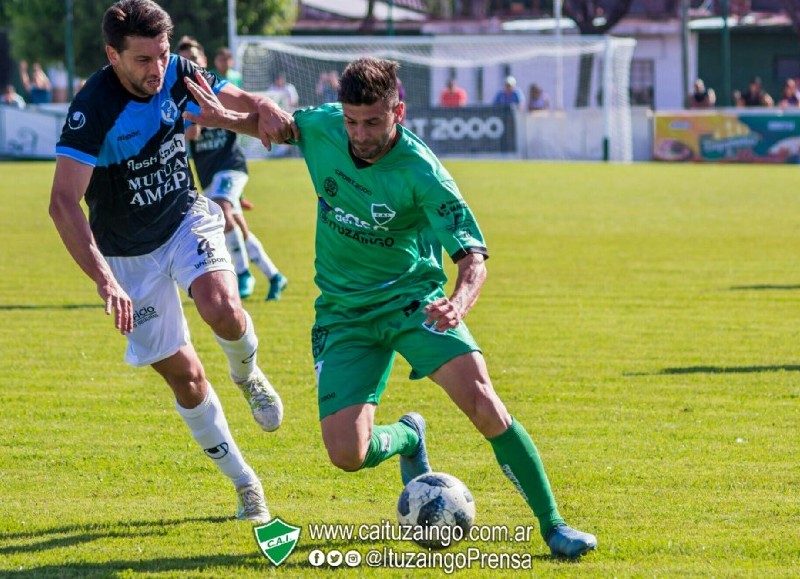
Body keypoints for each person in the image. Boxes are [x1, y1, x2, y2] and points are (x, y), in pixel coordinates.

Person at [185, 56, 597, 559]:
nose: (359, 134)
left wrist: (459, 302)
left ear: (397, 110)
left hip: (414, 302)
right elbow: (280, 127)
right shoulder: (325, 126)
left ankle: (554, 525)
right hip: (343, 315)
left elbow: (472, 258)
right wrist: (226, 119)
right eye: (352, 121)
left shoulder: (423, 173)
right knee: (346, 455)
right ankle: (408, 435)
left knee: (485, 404)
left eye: (373, 121)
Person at [49, 0, 297, 524]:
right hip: (125, 257)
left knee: (222, 304)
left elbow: (237, 99)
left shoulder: (179, 72)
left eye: (161, 54)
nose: (156, 69)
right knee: (185, 377)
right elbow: (62, 202)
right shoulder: (92, 108)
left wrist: (265, 105)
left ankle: (248, 375)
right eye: (142, 59)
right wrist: (104, 282)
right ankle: (245, 483)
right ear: (112, 55)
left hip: (185, 219)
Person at [178, 36, 288, 301]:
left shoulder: (218, 88)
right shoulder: (179, 97)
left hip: (230, 165)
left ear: (204, 61)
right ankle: (274, 276)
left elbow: (241, 108)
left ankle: (242, 274)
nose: (191, 63)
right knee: (235, 224)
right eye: (185, 61)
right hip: (208, 173)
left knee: (223, 212)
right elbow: (191, 134)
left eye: (194, 58)